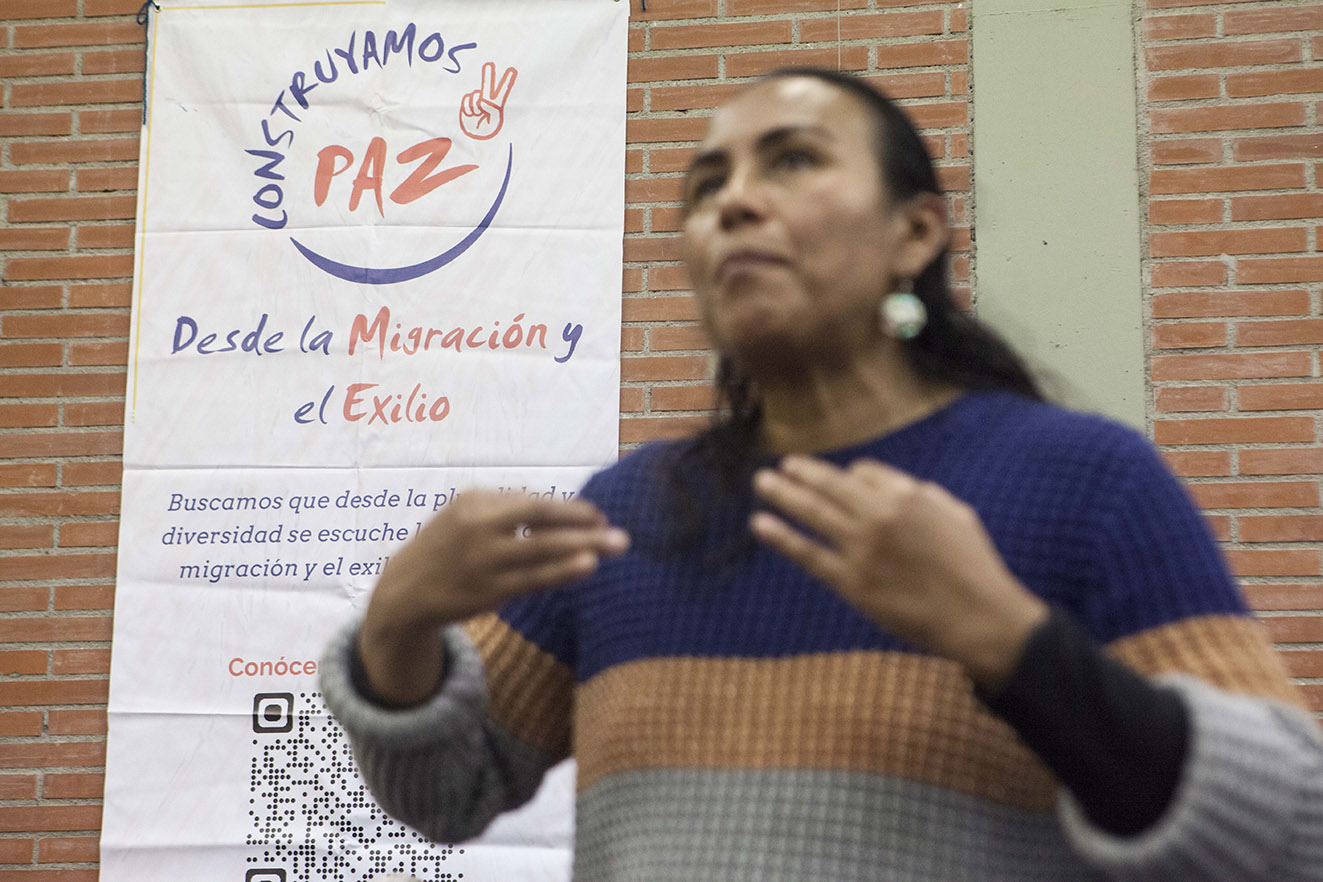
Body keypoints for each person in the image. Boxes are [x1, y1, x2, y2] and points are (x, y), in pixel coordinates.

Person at [321, 68, 1323, 881]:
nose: (734, 202)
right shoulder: (624, 516)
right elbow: (444, 795)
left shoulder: (1088, 484)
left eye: (793, 160)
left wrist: (1009, 643)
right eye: (706, 187)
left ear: (914, 234)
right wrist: (396, 626)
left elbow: (1292, 835)